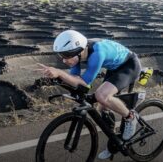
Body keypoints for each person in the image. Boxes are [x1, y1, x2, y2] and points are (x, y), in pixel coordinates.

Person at [35, 30, 142, 159]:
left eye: (66, 55)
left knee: (102, 96)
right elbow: (75, 79)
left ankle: (130, 117)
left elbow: (84, 84)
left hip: (129, 66)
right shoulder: (79, 53)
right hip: (114, 68)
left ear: (79, 51)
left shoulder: (97, 53)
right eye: (61, 56)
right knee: (102, 108)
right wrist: (56, 77)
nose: (64, 61)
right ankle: (115, 142)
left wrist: (60, 73)